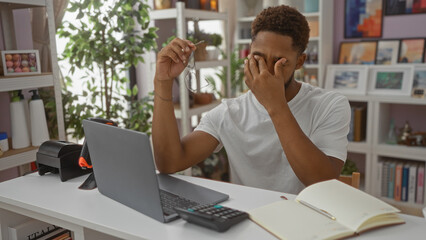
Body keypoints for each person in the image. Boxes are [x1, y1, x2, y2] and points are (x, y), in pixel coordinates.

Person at [152, 5, 350, 194]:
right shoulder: (230, 112)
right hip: (248, 223)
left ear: (299, 62)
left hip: (308, 223)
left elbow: (324, 182)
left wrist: (275, 105)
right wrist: (163, 81)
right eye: (258, 58)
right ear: (249, 52)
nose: (265, 70)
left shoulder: (330, 105)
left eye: (279, 62)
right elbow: (169, 163)